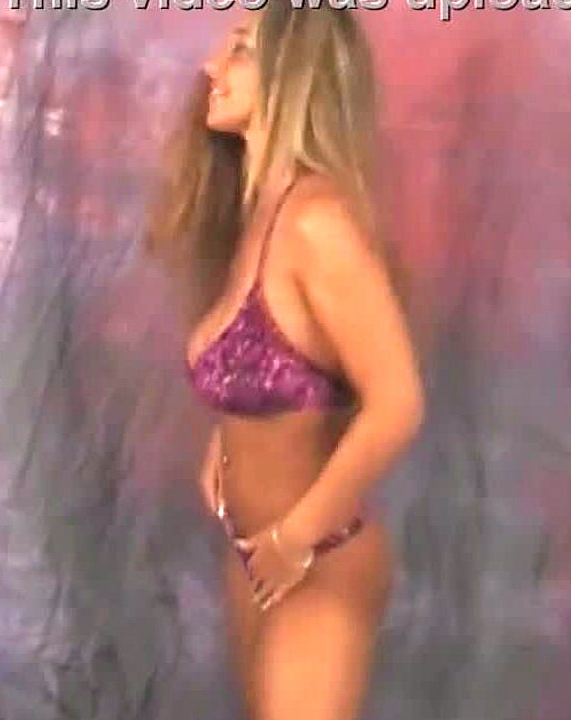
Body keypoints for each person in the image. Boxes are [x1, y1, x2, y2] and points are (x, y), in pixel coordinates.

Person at [145, 3, 425, 719]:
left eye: (239, 49)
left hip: (316, 558)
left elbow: (397, 402)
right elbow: (292, 370)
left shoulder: (315, 222)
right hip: (258, 559)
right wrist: (226, 440)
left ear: (294, 74)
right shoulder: (260, 218)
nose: (210, 66)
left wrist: (295, 540)